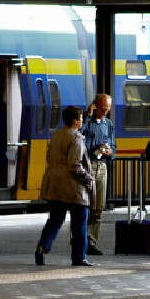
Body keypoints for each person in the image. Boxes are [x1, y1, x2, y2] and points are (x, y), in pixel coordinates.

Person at [35, 106, 95, 267]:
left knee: (55, 219)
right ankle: (79, 256)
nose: (82, 121)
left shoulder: (56, 136)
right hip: (73, 187)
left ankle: (42, 247)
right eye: (81, 118)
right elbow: (74, 165)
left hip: (54, 183)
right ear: (75, 121)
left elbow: (50, 158)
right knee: (80, 221)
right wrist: (89, 179)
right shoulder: (76, 138)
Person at [81, 93, 116, 256]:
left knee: (98, 207)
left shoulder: (108, 124)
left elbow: (114, 147)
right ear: (94, 106)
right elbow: (78, 135)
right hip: (86, 166)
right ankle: (80, 240)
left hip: (101, 166)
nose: (104, 113)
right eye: (101, 109)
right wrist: (87, 117)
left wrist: (110, 152)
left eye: (107, 110)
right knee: (83, 205)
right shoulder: (85, 122)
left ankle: (92, 241)